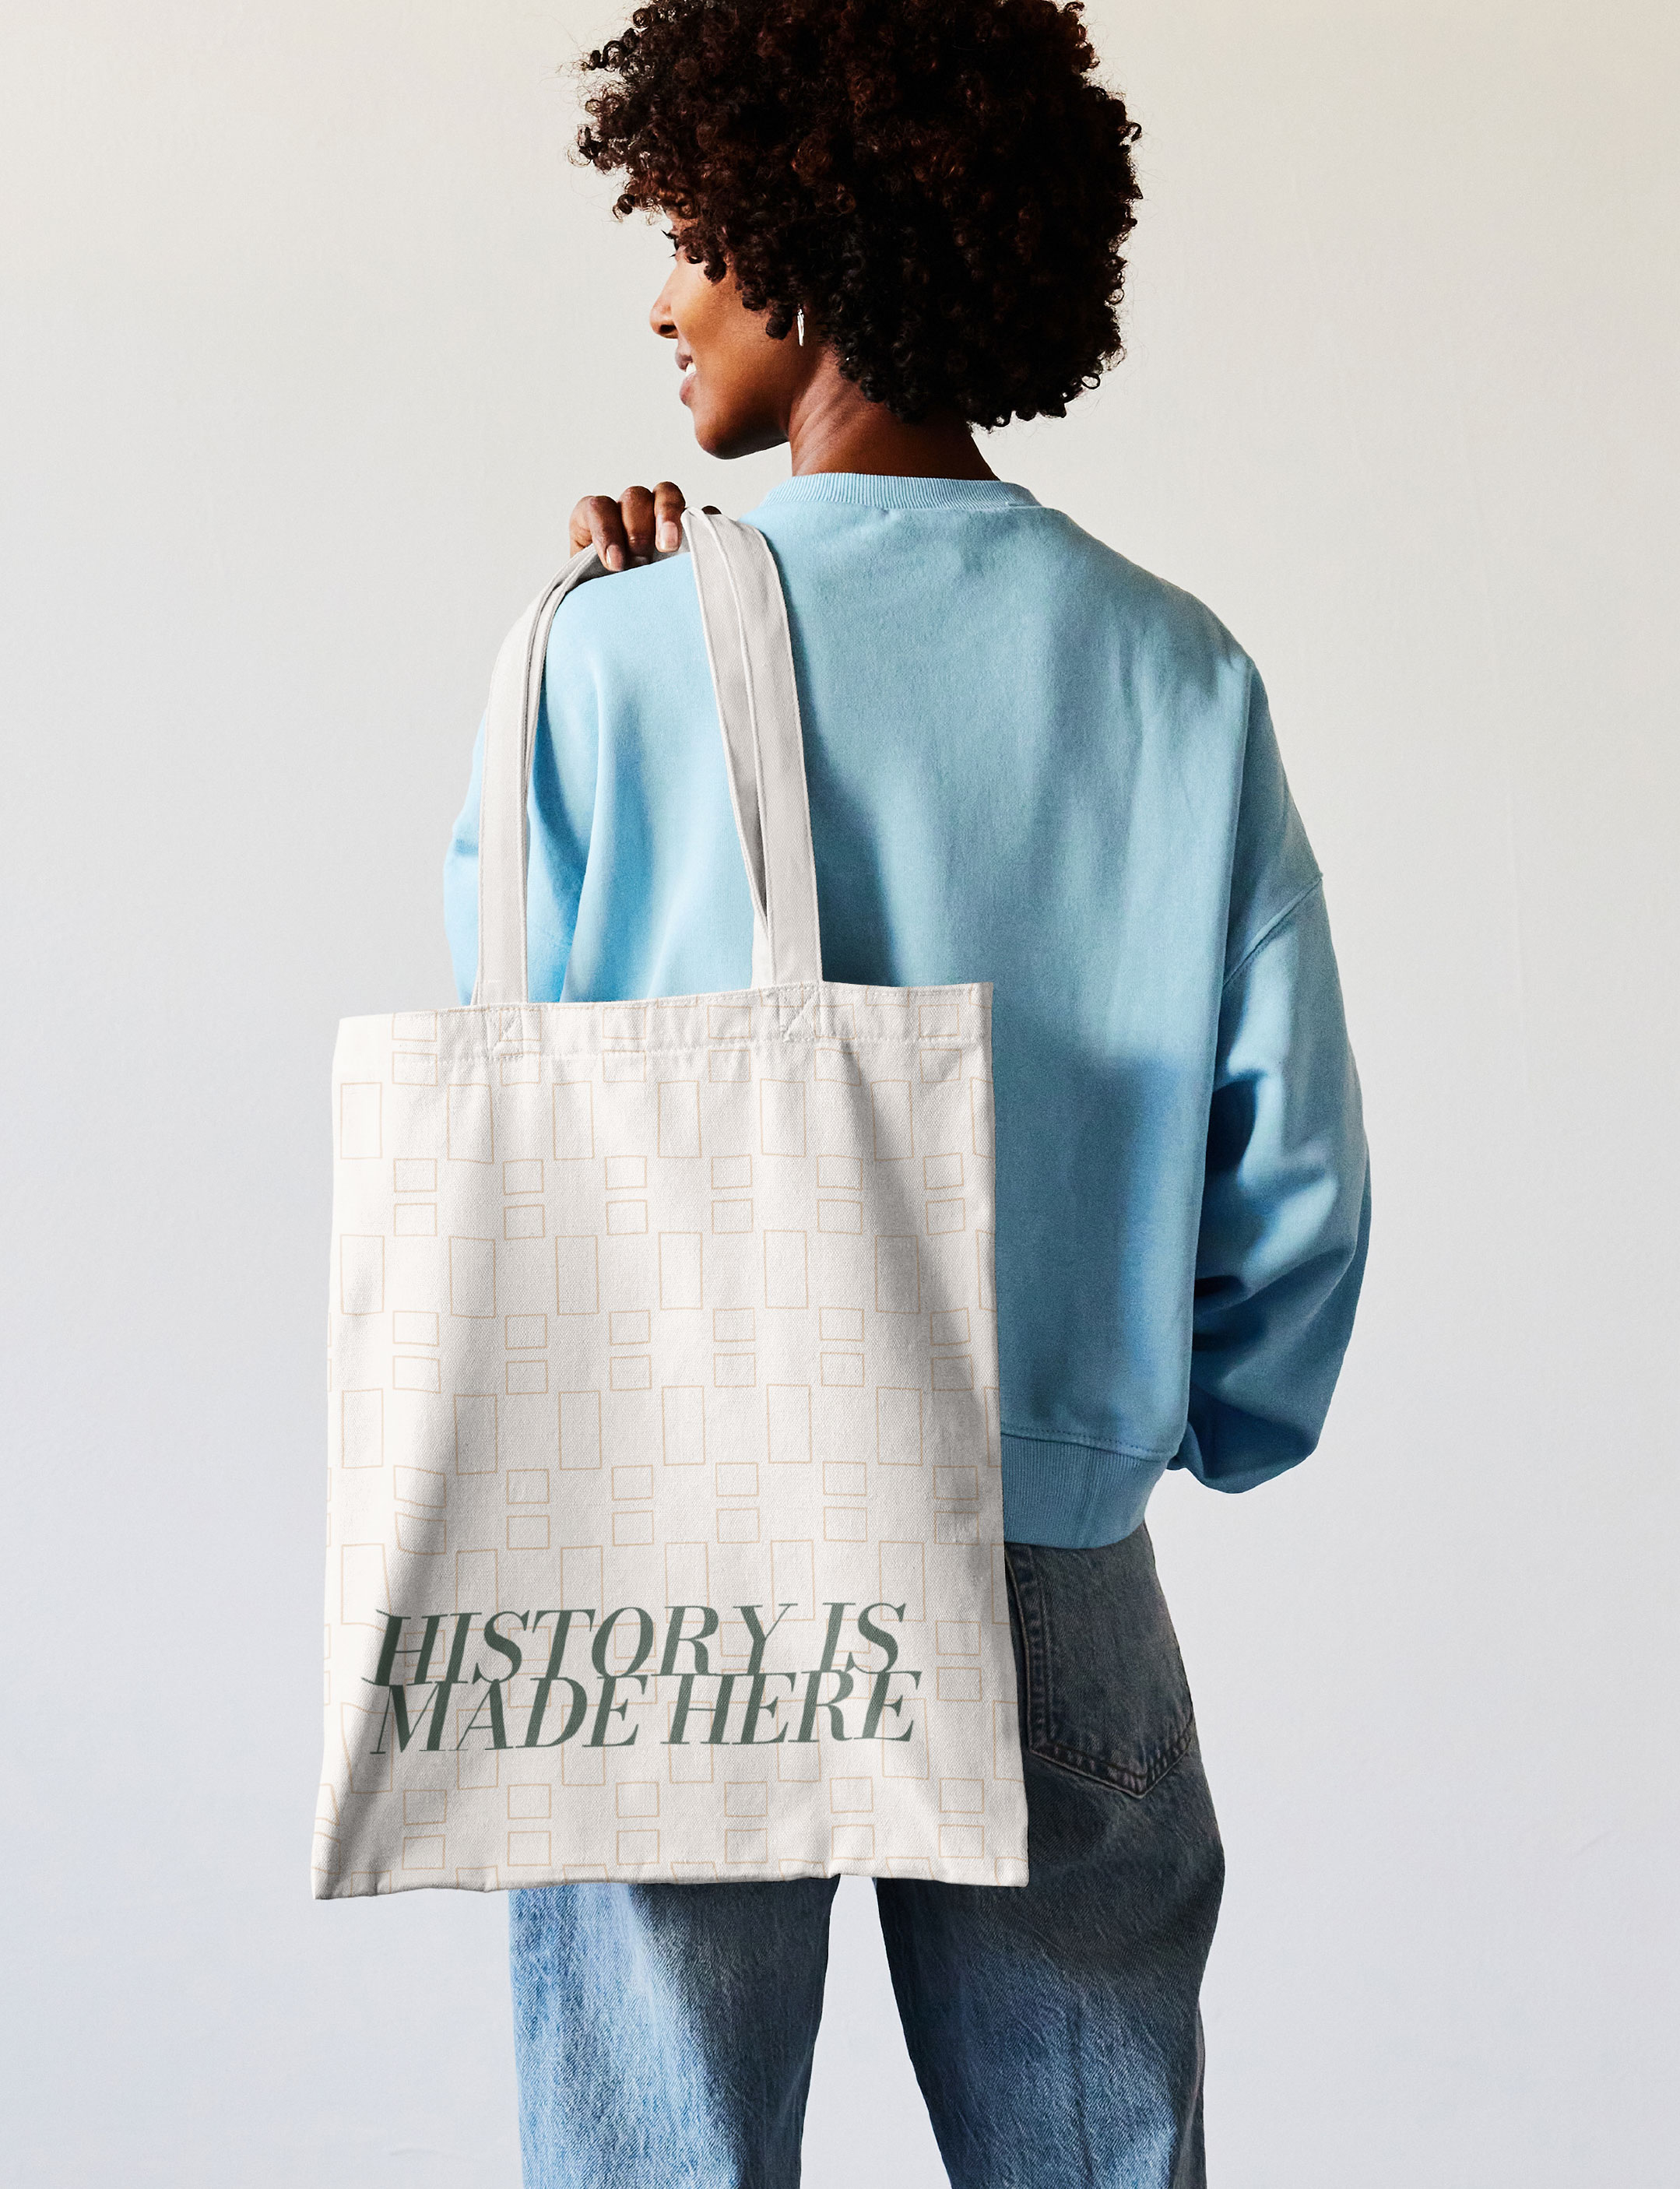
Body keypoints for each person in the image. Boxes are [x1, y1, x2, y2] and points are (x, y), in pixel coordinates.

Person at [443, 3, 1370, 2183]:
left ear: (802, 249)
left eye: (691, 237)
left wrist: (607, 629)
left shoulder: (608, 654)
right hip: (1047, 1537)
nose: (663, 297)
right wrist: (1158, 1417)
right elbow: (1296, 1181)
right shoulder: (1175, 669)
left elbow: (516, 1062)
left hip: (677, 1545)